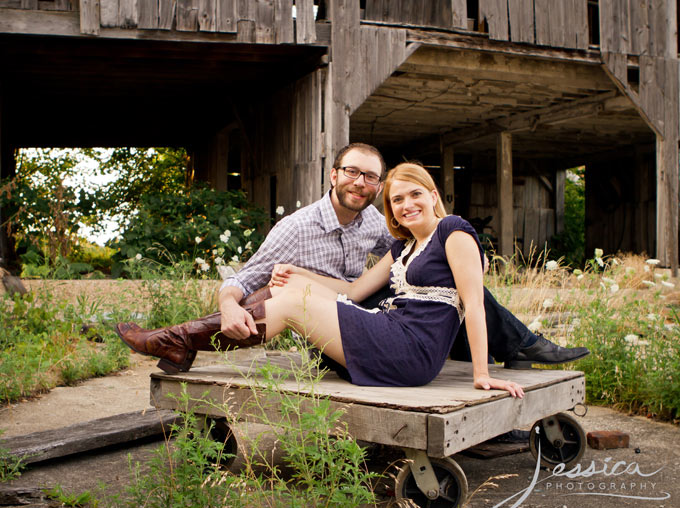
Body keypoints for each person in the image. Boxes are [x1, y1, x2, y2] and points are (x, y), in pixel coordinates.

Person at [115, 162, 525, 397]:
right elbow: (353, 291)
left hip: (411, 352)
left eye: (415, 195)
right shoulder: (401, 248)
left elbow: (474, 304)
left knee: (291, 303)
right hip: (388, 332)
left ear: (434, 195)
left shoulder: (453, 231)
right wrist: (299, 275)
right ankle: (179, 341)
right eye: (397, 200)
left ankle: (178, 340)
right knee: (286, 288)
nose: (406, 205)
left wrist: (481, 373)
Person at [217, 142, 588, 368]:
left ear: (378, 187)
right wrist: (230, 307)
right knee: (447, 297)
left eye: (370, 177)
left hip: (362, 306)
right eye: (351, 172)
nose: (360, 183)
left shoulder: (375, 223)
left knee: (450, 291)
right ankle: (521, 345)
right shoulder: (296, 227)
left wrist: (467, 252)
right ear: (333, 175)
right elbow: (242, 279)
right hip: (332, 333)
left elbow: (420, 251)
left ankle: (497, 363)